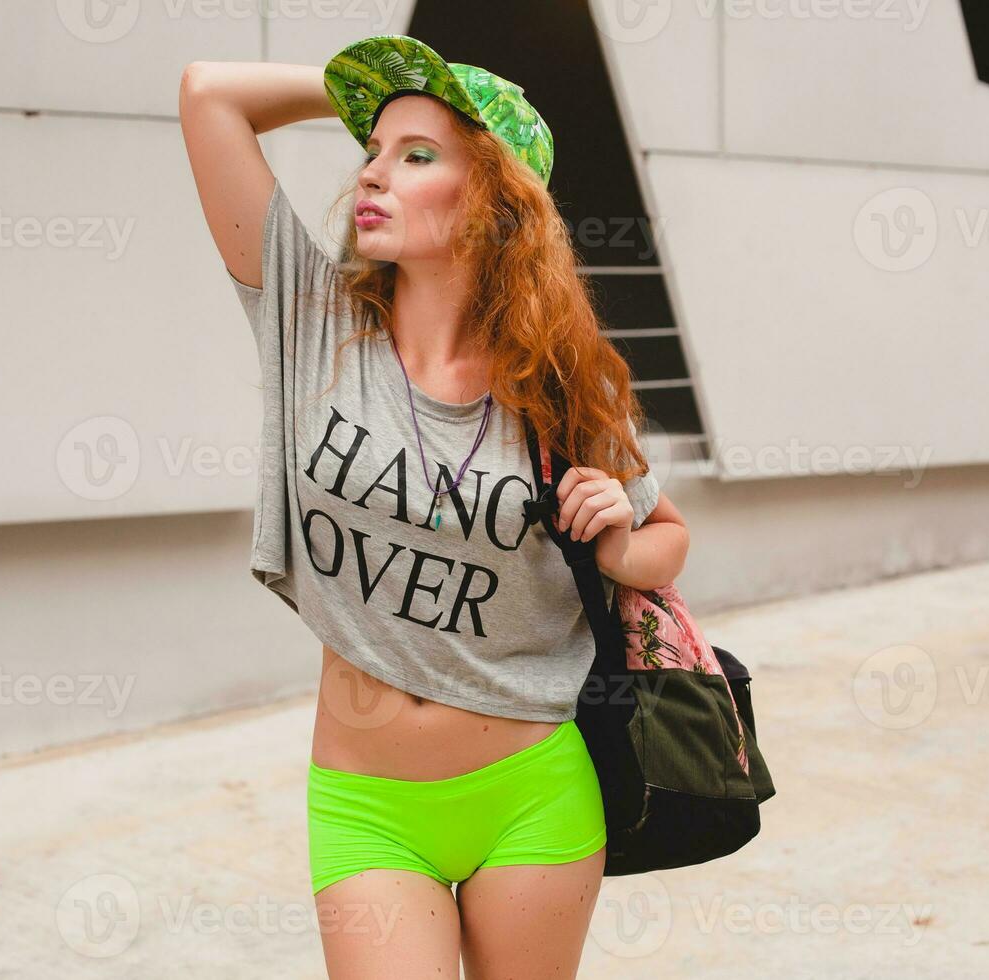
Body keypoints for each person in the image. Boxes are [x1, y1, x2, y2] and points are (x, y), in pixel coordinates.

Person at [178, 34, 690, 978]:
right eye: (370, 152)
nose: (372, 171)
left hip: (533, 795)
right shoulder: (313, 321)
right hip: (367, 805)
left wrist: (617, 544)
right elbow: (209, 96)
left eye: (417, 157)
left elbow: (667, 543)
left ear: (493, 201)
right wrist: (387, 104)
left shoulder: (558, 387)